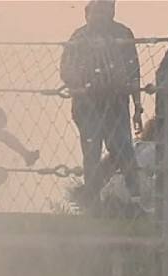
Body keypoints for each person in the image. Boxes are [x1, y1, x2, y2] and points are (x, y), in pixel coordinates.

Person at [60, 0, 143, 212]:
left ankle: (135, 198)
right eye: (98, 9)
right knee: (91, 151)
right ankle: (92, 201)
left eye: (108, 8)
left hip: (116, 101)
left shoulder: (123, 33)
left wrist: (137, 106)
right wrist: (82, 86)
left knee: (122, 148)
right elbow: (66, 71)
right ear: (87, 12)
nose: (103, 14)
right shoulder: (79, 37)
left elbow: (134, 70)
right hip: (87, 103)